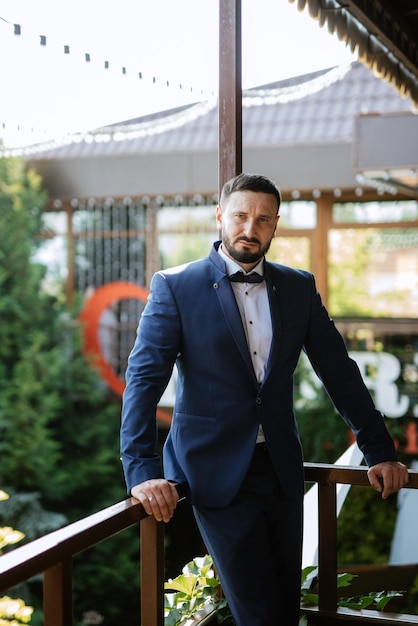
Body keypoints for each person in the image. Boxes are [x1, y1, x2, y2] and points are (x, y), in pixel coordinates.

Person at [120, 173, 408, 626]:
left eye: (262, 220)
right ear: (220, 217)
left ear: (275, 226)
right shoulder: (175, 287)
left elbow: (339, 372)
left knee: (282, 608)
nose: (248, 229)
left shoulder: (298, 287)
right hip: (213, 473)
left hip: (280, 471)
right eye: (239, 216)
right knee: (256, 614)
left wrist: (380, 451)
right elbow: (143, 381)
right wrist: (141, 471)